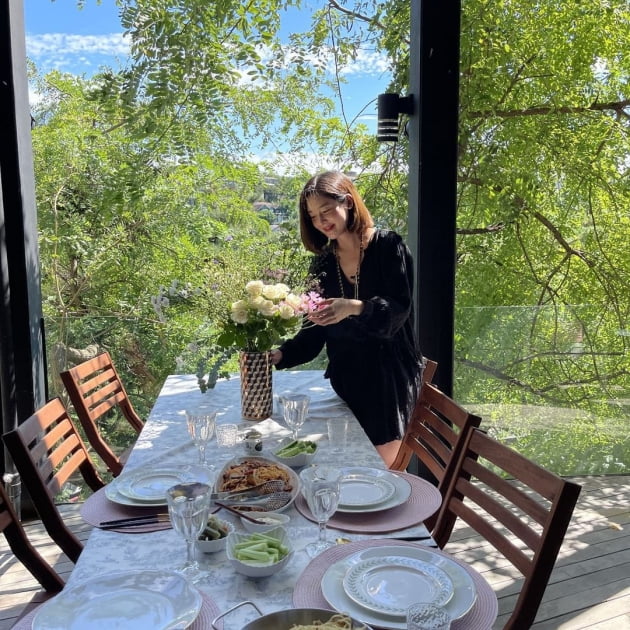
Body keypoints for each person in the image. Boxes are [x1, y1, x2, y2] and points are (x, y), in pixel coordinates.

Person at [271, 171, 423, 467]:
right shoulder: (323, 264)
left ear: (349, 202)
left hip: (388, 384)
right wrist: (278, 355)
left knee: (376, 472)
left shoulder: (389, 247)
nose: (321, 221)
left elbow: (397, 312)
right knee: (333, 466)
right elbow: (313, 333)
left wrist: (354, 307)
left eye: (326, 210)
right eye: (313, 216)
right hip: (347, 382)